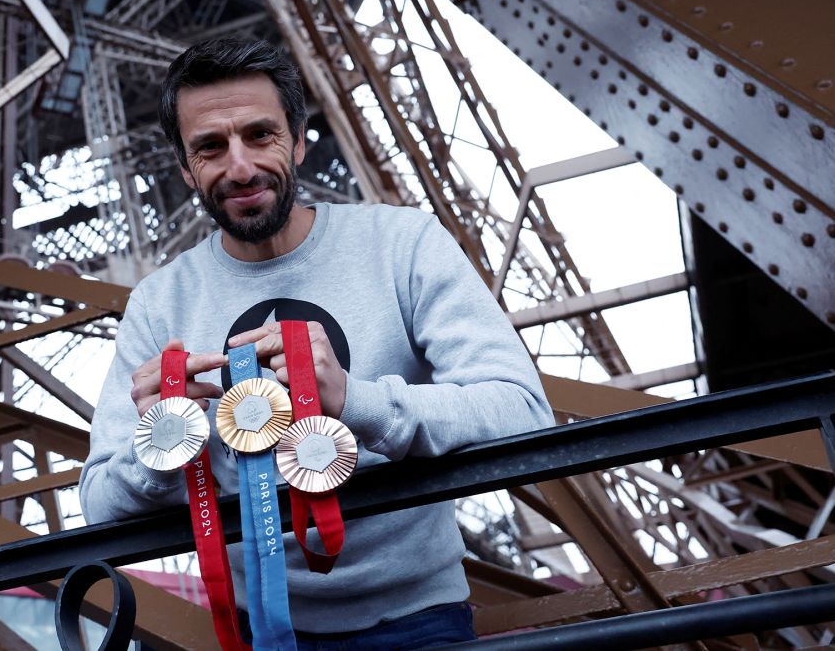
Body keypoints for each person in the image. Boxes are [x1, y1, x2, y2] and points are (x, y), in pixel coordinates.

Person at [79, 38, 554, 648]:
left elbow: (521, 411)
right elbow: (98, 503)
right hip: (262, 631)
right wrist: (162, 446)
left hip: (420, 623)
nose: (241, 167)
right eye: (210, 147)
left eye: (260, 135)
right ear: (184, 166)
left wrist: (353, 400)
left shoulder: (402, 244)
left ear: (300, 140)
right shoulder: (158, 302)